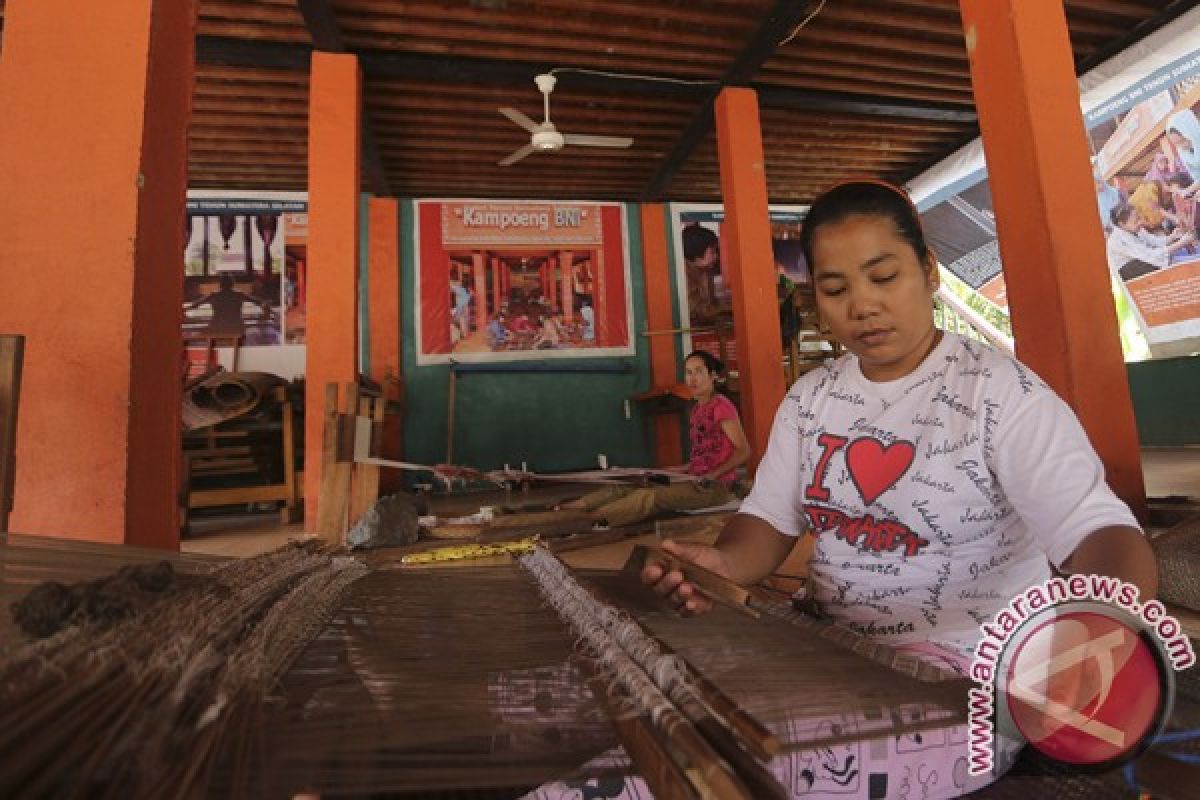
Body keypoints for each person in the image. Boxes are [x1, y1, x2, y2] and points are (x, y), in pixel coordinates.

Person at [641, 180, 1159, 796]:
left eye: (883, 277)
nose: (862, 305)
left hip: (967, 680)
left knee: (750, 775)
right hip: (828, 649)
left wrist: (1098, 621)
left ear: (929, 271)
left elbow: (1099, 530)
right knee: (666, 734)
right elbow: (768, 521)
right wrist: (721, 563)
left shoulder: (999, 395)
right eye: (836, 289)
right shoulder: (811, 401)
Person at [561, 350, 750, 528]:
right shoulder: (698, 409)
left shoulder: (721, 407)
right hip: (692, 478)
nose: (692, 379)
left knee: (652, 495)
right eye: (688, 372)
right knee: (634, 481)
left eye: (699, 372)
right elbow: (704, 456)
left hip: (714, 488)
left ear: (713, 376)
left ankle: (591, 520)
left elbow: (744, 451)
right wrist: (677, 470)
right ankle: (574, 507)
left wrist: (712, 476)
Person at [1105, 202, 1195, 281]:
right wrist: (1180, 243)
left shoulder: (1134, 228)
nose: (1140, 222)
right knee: (1159, 258)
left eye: (1139, 218)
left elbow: (1153, 240)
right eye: (1136, 221)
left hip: (1141, 260)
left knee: (1163, 253)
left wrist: (1172, 237)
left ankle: (1188, 262)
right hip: (1126, 272)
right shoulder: (1119, 240)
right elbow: (1149, 255)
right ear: (1122, 224)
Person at [184, 273, 273, 339]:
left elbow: (194, 305)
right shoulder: (239, 295)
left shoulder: (213, 295)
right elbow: (260, 302)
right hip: (237, 327)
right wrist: (266, 308)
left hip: (217, 327)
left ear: (220, 284)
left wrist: (182, 310)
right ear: (232, 284)